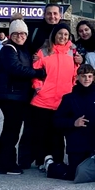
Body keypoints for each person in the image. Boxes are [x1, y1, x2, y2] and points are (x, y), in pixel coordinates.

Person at [19, 23, 79, 169]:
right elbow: (35, 72)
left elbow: (75, 75)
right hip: (43, 100)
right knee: (41, 132)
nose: (63, 37)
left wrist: (72, 92)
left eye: (66, 34)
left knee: (58, 133)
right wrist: (39, 88)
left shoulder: (73, 53)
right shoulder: (44, 51)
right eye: (60, 34)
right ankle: (41, 159)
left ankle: (57, 160)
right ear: (54, 35)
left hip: (62, 100)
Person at [0, 14, 46, 175]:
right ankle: (6, 164)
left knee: (12, 129)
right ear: (10, 35)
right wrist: (38, 72)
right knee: (11, 129)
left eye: (22, 34)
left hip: (16, 94)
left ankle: (6, 161)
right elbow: (15, 69)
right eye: (16, 34)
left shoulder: (22, 49)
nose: (20, 36)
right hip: (10, 94)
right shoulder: (9, 49)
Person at [49, 64, 95, 180]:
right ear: (77, 77)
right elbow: (56, 121)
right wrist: (73, 122)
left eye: (89, 76)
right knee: (75, 175)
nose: (86, 79)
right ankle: (51, 166)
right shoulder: (69, 98)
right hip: (77, 145)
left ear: (93, 77)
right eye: (83, 76)